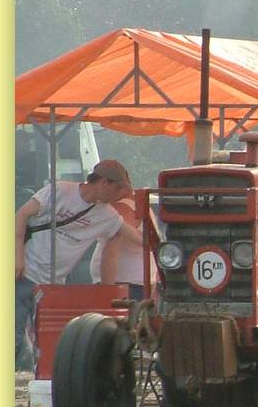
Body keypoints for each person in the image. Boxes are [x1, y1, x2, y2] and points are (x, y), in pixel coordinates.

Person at [14, 159, 142, 372]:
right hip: (24, 272)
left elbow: (135, 237)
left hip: (53, 285)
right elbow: (21, 215)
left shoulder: (106, 214)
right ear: (105, 183)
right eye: (118, 190)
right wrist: (17, 257)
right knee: (13, 334)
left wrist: (162, 246)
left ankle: (33, 378)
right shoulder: (60, 191)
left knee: (47, 340)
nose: (118, 197)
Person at [90, 187, 156, 300]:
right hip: (133, 285)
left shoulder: (123, 209)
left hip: (124, 287)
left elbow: (111, 250)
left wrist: (107, 294)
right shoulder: (136, 206)